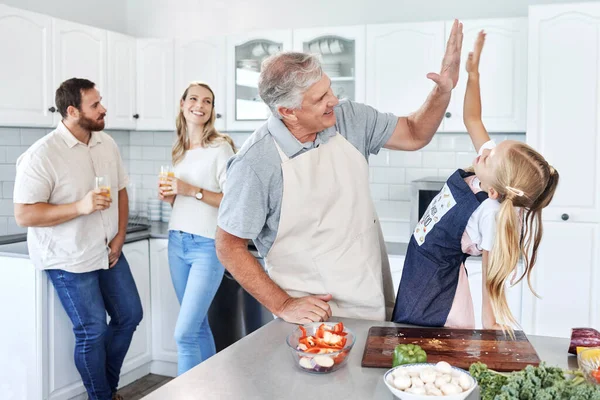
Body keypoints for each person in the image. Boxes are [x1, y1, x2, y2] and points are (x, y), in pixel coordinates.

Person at [215, 20, 465, 324]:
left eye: (329, 88)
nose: (333, 100)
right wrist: (282, 304)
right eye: (320, 98)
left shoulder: (349, 119)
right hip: (315, 318)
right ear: (287, 112)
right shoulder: (255, 164)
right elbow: (228, 245)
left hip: (371, 296)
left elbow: (414, 133)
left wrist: (442, 93)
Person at [392, 31, 559, 332]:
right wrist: (473, 74)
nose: (487, 150)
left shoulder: (491, 213)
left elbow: (490, 282)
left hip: (439, 291)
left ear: (495, 190)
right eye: (493, 147)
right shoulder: (489, 174)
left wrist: (490, 329)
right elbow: (473, 119)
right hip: (419, 268)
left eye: (492, 154)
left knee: (432, 348)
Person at [13, 78, 142, 400]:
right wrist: (80, 206)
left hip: (109, 251)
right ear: (72, 111)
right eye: (95, 105)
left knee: (130, 315)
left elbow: (121, 190)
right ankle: (102, 396)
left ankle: (107, 391)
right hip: (69, 258)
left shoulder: (106, 143)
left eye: (101, 102)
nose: (104, 109)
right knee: (92, 330)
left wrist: (120, 237)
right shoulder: (41, 155)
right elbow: (25, 214)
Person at [158, 82, 236, 375]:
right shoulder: (179, 149)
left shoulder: (220, 147)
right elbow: (183, 202)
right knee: (198, 326)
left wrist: (191, 190)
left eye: (207, 101)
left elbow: (232, 200)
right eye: (193, 99)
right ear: (182, 104)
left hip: (207, 246)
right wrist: (171, 198)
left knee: (184, 334)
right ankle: (211, 389)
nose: (199, 105)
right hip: (177, 243)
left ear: (212, 110)